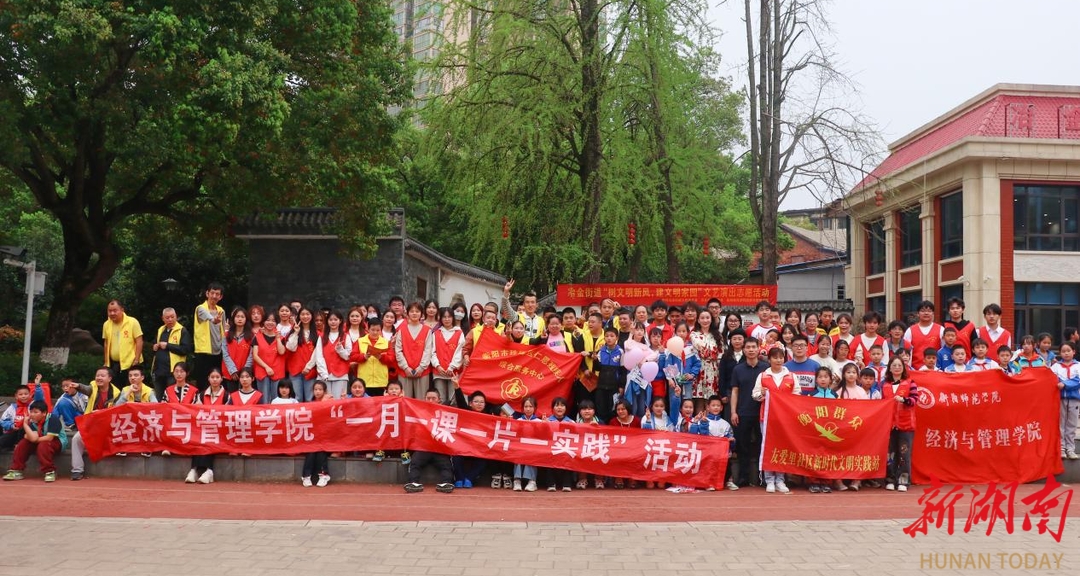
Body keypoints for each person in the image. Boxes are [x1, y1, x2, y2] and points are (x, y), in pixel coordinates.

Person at [752, 347, 798, 494]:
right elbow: (755, 395)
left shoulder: (791, 376)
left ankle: (780, 479)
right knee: (768, 446)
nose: (778, 360)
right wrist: (761, 394)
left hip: (785, 418)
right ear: (769, 359)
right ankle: (769, 479)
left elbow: (797, 395)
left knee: (782, 447)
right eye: (775, 357)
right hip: (766, 417)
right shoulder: (763, 376)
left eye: (781, 357)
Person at [68, 367, 121, 480]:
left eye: (102, 376)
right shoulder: (93, 386)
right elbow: (86, 389)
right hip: (90, 423)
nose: (99, 378)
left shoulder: (116, 393)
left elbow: (115, 411)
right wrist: (78, 386)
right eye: (97, 375)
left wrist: (100, 413)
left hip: (108, 426)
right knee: (76, 439)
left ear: (109, 378)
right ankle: (77, 470)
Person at [729, 338, 767, 487]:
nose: (751, 350)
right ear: (744, 350)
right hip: (743, 412)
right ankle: (743, 477)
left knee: (762, 445)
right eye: (748, 347)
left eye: (753, 347)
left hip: (762, 413)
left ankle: (763, 477)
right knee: (743, 445)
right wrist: (733, 412)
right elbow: (735, 391)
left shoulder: (766, 368)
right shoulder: (738, 369)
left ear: (758, 349)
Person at [403, 389, 456, 494]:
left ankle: (446, 483)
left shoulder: (446, 413)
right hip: (423, 447)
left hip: (439, 448)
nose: (431, 400)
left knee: (446, 465)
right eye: (428, 398)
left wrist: (456, 388)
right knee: (415, 463)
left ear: (439, 400)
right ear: (424, 399)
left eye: (433, 398)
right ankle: (413, 483)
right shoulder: (418, 412)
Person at [2, 401, 66, 482]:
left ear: (44, 413)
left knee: (43, 445)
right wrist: (25, 424)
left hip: (56, 442)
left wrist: (34, 439)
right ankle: (16, 470)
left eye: (35, 412)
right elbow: (30, 437)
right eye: (31, 412)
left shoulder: (53, 419)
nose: (32, 414)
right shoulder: (32, 422)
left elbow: (49, 438)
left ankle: (49, 471)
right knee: (23, 443)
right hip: (40, 440)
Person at [882, 356, 917, 492]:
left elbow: (915, 400)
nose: (897, 368)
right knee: (890, 454)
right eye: (894, 365)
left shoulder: (910, 383)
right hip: (889, 425)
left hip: (906, 424)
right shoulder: (884, 385)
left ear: (903, 368)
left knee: (904, 453)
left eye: (899, 365)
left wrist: (904, 400)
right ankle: (890, 479)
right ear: (889, 368)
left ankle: (903, 480)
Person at [689, 395, 739, 491]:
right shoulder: (702, 420)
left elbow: (730, 442)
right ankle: (708, 482)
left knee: (727, 459)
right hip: (707, 453)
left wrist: (732, 441)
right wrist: (702, 424)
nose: (716, 407)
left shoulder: (725, 424)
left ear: (721, 408)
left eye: (718, 405)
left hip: (721, 454)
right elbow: (695, 436)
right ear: (708, 407)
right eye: (713, 405)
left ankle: (728, 480)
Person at [307, 311, 352, 399]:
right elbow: (319, 356)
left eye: (335, 319)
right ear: (327, 321)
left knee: (338, 401)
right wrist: (324, 374)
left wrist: (340, 349)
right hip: (324, 375)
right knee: (324, 402)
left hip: (340, 375)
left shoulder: (346, 336)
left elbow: (347, 356)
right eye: (330, 320)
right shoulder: (322, 336)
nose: (333, 322)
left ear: (340, 321)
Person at [151, 307, 194, 399]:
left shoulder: (182, 330)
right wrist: (154, 346)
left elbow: (185, 349)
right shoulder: (161, 329)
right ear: (163, 318)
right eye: (167, 318)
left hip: (173, 372)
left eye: (172, 317)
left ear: (176, 317)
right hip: (158, 370)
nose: (170, 320)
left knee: (172, 398)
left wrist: (168, 345)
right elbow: (155, 343)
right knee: (159, 399)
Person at [396, 302, 434, 399]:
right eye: (412, 311)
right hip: (404, 371)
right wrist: (405, 367)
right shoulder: (401, 330)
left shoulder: (427, 330)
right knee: (404, 400)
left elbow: (428, 350)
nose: (414, 313)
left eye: (417, 311)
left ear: (421, 314)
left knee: (421, 401)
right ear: (407, 313)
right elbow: (398, 350)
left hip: (422, 371)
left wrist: (421, 367)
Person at [192, 283, 226, 391]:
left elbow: (224, 329)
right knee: (203, 382)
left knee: (217, 382)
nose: (214, 296)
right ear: (207, 293)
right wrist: (214, 320)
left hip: (218, 351)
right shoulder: (200, 308)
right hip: (204, 352)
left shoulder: (221, 311)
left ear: (221, 297)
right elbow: (208, 317)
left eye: (217, 294)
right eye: (212, 293)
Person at [102, 299, 143, 385]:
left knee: (131, 388)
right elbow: (106, 343)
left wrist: (136, 360)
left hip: (131, 363)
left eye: (115, 310)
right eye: (110, 311)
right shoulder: (106, 324)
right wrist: (106, 362)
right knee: (115, 388)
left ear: (122, 310)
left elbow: (139, 341)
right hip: (114, 364)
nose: (112, 313)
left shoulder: (132, 322)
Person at [301, 381, 333, 487]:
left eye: (320, 389)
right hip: (313, 437)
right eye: (315, 389)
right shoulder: (310, 403)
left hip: (326, 437)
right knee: (311, 450)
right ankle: (306, 476)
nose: (317, 392)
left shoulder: (330, 401)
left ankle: (324, 475)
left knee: (321, 450)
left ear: (325, 391)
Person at [1051, 342, 1080, 460]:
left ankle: (1070, 448)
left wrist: (1065, 384)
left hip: (1074, 398)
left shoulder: (1078, 366)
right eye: (1063, 351)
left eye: (1068, 351)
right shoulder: (1056, 366)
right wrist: (1059, 382)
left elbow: (1078, 381)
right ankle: (1061, 448)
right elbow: (1052, 379)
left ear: (1074, 352)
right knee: (1060, 423)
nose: (1066, 353)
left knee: (1072, 424)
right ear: (1060, 353)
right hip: (1060, 398)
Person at [430, 308, 464, 406]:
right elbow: (432, 352)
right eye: (444, 317)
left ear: (453, 318)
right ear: (440, 318)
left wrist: (452, 367)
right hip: (439, 372)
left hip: (453, 373)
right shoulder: (436, 333)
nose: (447, 319)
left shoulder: (459, 333)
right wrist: (437, 366)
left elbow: (460, 351)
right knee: (440, 399)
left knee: (453, 400)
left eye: (449, 317)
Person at [690, 310, 722, 412]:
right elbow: (703, 351)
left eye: (707, 318)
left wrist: (712, 355)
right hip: (699, 370)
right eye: (702, 318)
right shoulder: (694, 334)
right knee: (699, 400)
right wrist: (712, 354)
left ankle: (710, 421)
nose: (705, 320)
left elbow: (721, 354)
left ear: (711, 319)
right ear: (698, 320)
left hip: (713, 371)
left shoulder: (718, 335)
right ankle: (699, 421)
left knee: (710, 401)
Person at [252, 311, 287, 403]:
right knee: (264, 399)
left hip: (277, 371)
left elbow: (281, 352)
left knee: (276, 400)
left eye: (273, 321)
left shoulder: (281, 338)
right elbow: (255, 355)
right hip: (262, 370)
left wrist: (278, 338)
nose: (270, 323)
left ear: (276, 323)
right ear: (263, 322)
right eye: (268, 320)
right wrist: (266, 367)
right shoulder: (257, 337)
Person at [508, 396, 542, 492]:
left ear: (535, 408)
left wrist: (546, 425)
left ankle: (532, 481)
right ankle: (517, 480)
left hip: (534, 448)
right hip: (520, 448)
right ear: (522, 408)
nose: (528, 409)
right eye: (526, 406)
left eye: (530, 406)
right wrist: (510, 423)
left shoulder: (540, 422)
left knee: (530, 453)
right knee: (518, 454)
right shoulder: (518, 421)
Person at [285, 307, 317, 402]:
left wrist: (308, 367)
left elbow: (317, 353)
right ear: (299, 316)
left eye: (308, 314)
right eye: (303, 314)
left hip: (310, 370)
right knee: (297, 398)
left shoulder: (317, 334)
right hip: (295, 370)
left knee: (309, 399)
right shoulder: (293, 332)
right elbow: (290, 347)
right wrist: (296, 332)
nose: (305, 316)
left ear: (312, 316)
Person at [355, 317, 393, 397]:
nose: (375, 332)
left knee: (380, 403)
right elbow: (353, 356)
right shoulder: (360, 341)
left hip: (381, 381)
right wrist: (364, 357)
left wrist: (381, 357)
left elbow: (391, 359)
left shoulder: (386, 342)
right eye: (372, 330)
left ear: (381, 330)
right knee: (366, 403)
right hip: (364, 380)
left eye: (378, 330)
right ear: (368, 329)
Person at [903, 301, 945, 371]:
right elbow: (906, 353)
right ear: (918, 314)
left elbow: (944, 350)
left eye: (929, 311)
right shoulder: (910, 331)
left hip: (935, 371)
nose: (926, 313)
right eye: (923, 311)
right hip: (915, 371)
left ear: (933, 313)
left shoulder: (941, 330)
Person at [595, 327, 624, 423]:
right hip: (601, 385)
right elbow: (597, 368)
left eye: (612, 336)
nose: (609, 338)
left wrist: (621, 385)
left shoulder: (620, 351)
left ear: (617, 338)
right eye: (607, 336)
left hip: (614, 386)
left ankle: (612, 426)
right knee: (601, 407)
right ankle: (602, 426)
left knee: (612, 408)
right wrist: (595, 360)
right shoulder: (601, 351)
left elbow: (623, 370)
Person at [222, 306, 254, 393]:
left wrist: (245, 371)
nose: (240, 319)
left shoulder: (251, 336)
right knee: (231, 397)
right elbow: (225, 354)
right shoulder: (226, 335)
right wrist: (233, 371)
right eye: (237, 316)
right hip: (230, 373)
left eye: (242, 317)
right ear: (233, 319)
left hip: (245, 374)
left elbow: (251, 355)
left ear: (246, 319)